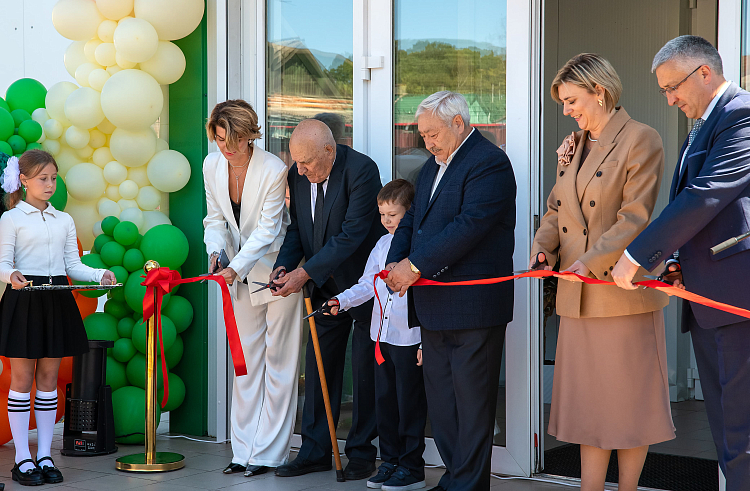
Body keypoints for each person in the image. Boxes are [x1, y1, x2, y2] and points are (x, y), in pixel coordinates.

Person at [612, 36, 750, 491]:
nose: (669, 98)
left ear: (704, 73)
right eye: (664, 90)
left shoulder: (741, 115)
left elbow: (705, 196)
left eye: (673, 87)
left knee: (741, 430)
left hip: (735, 302)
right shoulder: (704, 124)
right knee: (727, 427)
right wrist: (674, 260)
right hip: (708, 297)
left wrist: (637, 255)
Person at [532, 54, 674, 491]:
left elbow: (635, 217)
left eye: (572, 100)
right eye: (563, 103)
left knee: (630, 409)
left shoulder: (641, 138)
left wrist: (588, 262)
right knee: (590, 410)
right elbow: (557, 208)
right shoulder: (573, 144)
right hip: (577, 296)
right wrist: (543, 250)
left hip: (620, 294)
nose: (567, 110)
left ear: (600, 92)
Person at [384, 90, 516, 491]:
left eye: (432, 133)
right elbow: (411, 221)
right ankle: (455, 480)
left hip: (474, 307)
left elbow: (469, 226)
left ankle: (467, 485)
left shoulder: (489, 163)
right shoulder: (431, 166)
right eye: (422, 134)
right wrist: (396, 258)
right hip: (433, 306)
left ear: (458, 123)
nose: (426, 141)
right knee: (442, 408)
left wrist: (415, 265)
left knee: (472, 407)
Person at [270, 119, 385, 480]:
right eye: (296, 163)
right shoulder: (298, 173)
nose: (300, 171)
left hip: (362, 287)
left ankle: (363, 454)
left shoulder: (362, 171)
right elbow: (297, 229)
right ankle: (315, 450)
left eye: (306, 163)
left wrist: (304, 273)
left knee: (365, 372)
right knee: (320, 366)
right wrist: (284, 266)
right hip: (324, 289)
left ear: (329, 151)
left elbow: (352, 234)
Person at [0, 150, 114, 486]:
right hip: (25, 299)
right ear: (23, 181)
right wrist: (13, 276)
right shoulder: (11, 218)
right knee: (22, 381)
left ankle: (46, 455)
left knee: (49, 381)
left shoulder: (64, 219)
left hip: (57, 297)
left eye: (53, 178)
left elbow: (72, 266)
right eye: (42, 179)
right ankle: (22, 459)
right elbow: (3, 262)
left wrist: (98, 275)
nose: (49, 184)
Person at [203, 100, 303, 477]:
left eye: (235, 141)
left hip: (277, 270)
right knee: (244, 364)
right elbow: (214, 218)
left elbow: (267, 229)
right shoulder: (211, 165)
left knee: (280, 361)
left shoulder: (274, 169)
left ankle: (270, 453)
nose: (227, 149)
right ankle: (242, 450)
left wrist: (237, 266)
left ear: (250, 136)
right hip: (236, 271)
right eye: (220, 140)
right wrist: (216, 253)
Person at [325, 179, 426, 490]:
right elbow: (367, 284)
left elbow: (427, 300)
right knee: (385, 403)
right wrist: (340, 300)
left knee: (409, 404)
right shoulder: (381, 246)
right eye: (382, 214)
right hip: (381, 338)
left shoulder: (418, 249)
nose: (387, 221)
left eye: (393, 215)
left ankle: (412, 466)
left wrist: (425, 340)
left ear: (410, 214)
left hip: (408, 339)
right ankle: (391, 461)